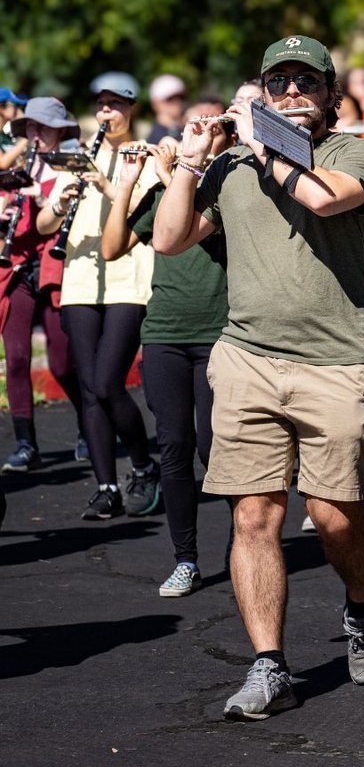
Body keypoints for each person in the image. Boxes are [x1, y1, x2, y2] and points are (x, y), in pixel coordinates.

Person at [153, 35, 364, 720]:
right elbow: (169, 240)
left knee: (334, 516)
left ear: (330, 96)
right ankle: (269, 665)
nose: (292, 92)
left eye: (305, 83)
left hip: (334, 361)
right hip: (247, 357)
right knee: (253, 516)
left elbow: (322, 200)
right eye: (278, 81)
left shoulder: (357, 154)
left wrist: (262, 142)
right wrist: (191, 165)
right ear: (261, 87)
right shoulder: (230, 164)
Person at [101, 107, 231, 598]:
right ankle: (186, 558)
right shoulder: (160, 193)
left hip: (218, 333)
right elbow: (113, 247)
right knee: (174, 447)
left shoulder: (228, 194)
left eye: (209, 132)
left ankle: (245, 541)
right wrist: (132, 179)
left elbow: (195, 223)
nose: (196, 139)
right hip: (165, 335)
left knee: (212, 448)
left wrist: (175, 173)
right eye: (191, 132)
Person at [37, 73, 161, 519]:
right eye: (101, 105)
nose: (106, 112)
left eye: (116, 104)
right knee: (90, 390)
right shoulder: (75, 156)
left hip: (128, 277)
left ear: (132, 110)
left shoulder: (145, 157)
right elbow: (44, 226)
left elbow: (144, 215)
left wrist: (108, 186)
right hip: (81, 277)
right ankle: (106, 485)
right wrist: (60, 202)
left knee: (109, 383)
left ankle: (145, 467)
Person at [0, 98, 86, 471]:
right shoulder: (14, 167)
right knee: (16, 358)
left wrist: (45, 196)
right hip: (17, 266)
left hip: (57, 267)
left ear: (61, 131)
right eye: (31, 128)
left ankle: (88, 424)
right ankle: (25, 443)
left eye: (44, 128)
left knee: (61, 361)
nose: (36, 134)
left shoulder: (73, 164)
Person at [146, 74, 188, 145]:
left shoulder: (186, 129)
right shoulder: (153, 138)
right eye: (170, 99)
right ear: (155, 103)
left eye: (181, 97)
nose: (177, 102)